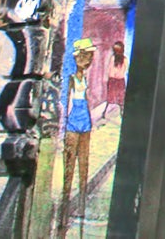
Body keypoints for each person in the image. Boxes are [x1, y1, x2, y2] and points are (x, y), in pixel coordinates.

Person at [60, 39, 96, 228]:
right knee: (70, 163)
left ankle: (81, 203)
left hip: (85, 121)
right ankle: (65, 203)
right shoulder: (72, 79)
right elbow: (65, 104)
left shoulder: (85, 79)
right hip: (73, 121)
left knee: (84, 162)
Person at [102, 40, 127, 122]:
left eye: (118, 49)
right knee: (110, 98)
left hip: (119, 80)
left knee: (121, 98)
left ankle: (122, 113)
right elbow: (110, 70)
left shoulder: (124, 59)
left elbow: (124, 70)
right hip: (113, 80)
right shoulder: (113, 58)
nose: (116, 51)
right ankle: (105, 113)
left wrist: (117, 74)